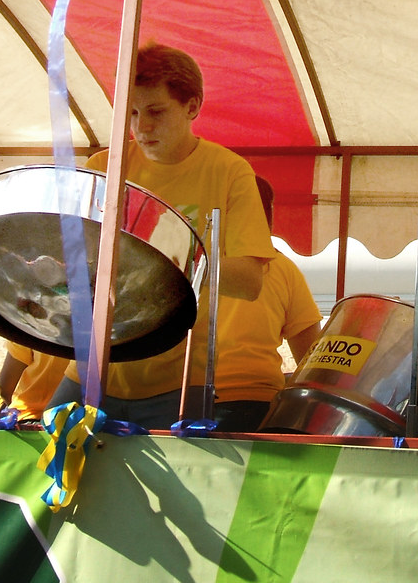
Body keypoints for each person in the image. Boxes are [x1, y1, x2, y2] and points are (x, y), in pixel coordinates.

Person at [48, 42, 276, 429]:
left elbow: (250, 281)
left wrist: (164, 262)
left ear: (192, 107)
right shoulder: (104, 166)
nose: (141, 127)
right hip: (91, 368)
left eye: (156, 112)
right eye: (132, 113)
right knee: (50, 472)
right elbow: (67, 255)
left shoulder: (229, 171)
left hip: (179, 381)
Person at [211, 176, 323, 432]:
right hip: (262, 404)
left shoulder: (193, 263)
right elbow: (311, 361)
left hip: (188, 400)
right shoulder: (283, 268)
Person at [0, 342, 68, 421]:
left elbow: (5, 387)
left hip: (30, 417)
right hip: (75, 422)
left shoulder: (29, 331)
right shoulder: (82, 337)